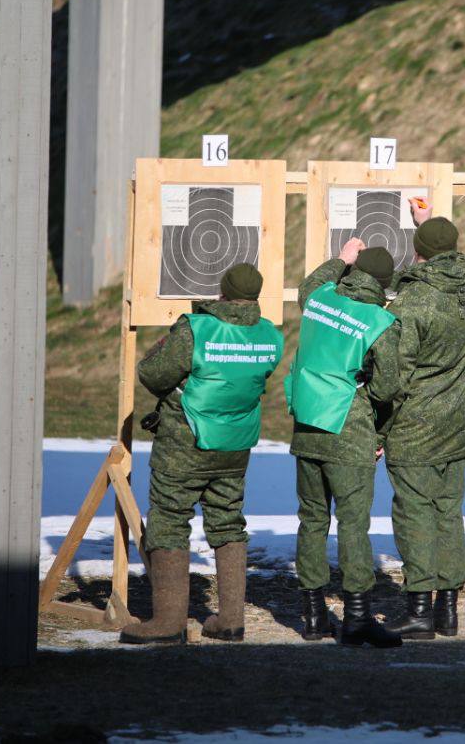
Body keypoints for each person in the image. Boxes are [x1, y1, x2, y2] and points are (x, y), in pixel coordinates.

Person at [119, 263, 284, 645]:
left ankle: (168, 623)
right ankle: (230, 620)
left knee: (170, 520)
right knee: (228, 522)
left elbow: (153, 374)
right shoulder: (270, 336)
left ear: (222, 292)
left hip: (186, 442)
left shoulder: (195, 329)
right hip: (236, 443)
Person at [285, 240, 403, 649]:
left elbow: (307, 286)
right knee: (353, 526)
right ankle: (355, 619)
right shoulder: (379, 321)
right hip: (349, 431)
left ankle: (314, 616)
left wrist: (340, 258)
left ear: (353, 274)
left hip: (306, 425)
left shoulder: (319, 299)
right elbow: (388, 387)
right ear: (385, 286)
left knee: (312, 521)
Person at [382, 204, 465, 640]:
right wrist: (430, 227)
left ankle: (420, 608)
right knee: (447, 509)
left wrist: (379, 427)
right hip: (458, 419)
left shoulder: (413, 300)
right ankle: (448, 610)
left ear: (417, 253)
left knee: (415, 512)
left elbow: (394, 377)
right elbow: (447, 258)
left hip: (416, 422)